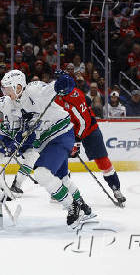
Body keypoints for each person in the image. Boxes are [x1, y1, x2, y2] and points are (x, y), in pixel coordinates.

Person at [0, 70, 93, 228]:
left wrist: (64, 81)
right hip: (46, 142)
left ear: (18, 86)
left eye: (8, 88)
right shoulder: (14, 103)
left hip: (60, 135)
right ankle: (83, 206)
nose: (5, 92)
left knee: (42, 173)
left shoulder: (34, 91)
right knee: (62, 179)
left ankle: (72, 206)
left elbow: (60, 86)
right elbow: (23, 131)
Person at [54, 70, 126, 205]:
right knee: (60, 157)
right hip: (69, 130)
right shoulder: (58, 91)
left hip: (89, 130)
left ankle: (116, 188)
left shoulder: (75, 97)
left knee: (102, 160)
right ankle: (61, 187)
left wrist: (77, 141)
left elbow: (84, 123)